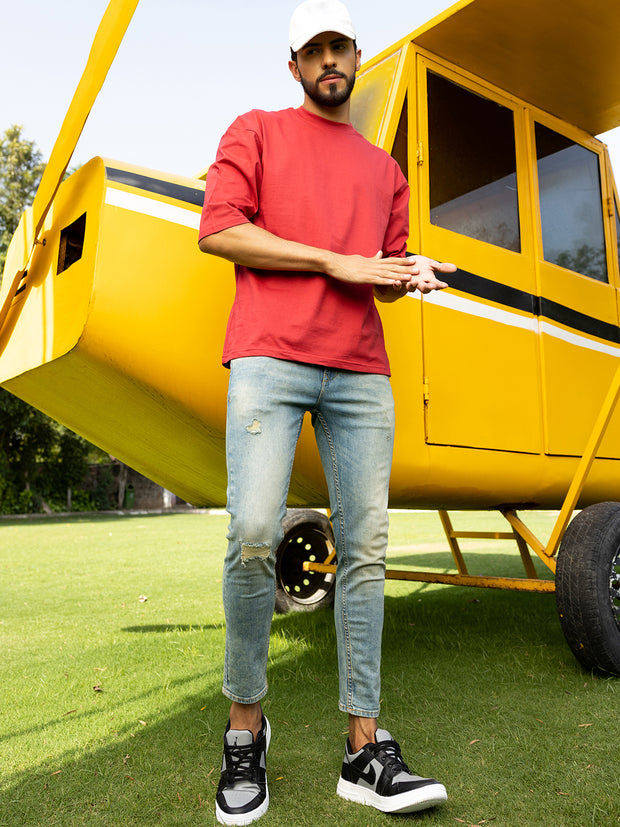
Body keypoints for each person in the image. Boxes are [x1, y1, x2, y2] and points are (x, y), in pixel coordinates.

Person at [198, 1, 455, 823]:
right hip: (269, 358)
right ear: (295, 65)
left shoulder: (384, 171)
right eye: (315, 49)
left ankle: (364, 750)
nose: (331, 59)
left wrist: (408, 272)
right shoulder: (257, 131)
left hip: (359, 372)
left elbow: (377, 266)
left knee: (369, 550)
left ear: (354, 54)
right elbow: (220, 231)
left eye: (341, 45)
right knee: (252, 537)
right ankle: (246, 731)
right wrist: (334, 260)